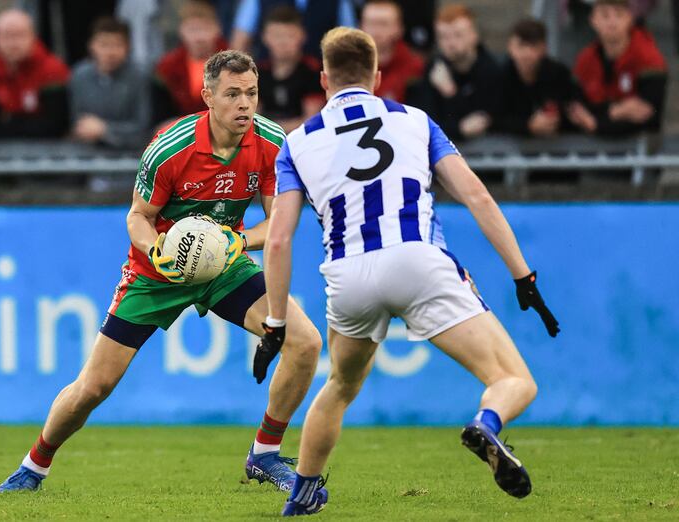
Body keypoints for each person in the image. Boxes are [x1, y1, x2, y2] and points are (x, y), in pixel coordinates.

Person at [255, 27, 560, 515]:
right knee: (513, 379)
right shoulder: (415, 120)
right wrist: (522, 274)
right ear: (376, 77)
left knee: (339, 387)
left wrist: (274, 322)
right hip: (417, 260)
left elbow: (280, 238)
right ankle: (486, 424)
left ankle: (303, 494)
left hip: (348, 274)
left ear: (324, 79)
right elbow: (476, 195)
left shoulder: (296, 142)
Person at [0, 50, 325, 500]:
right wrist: (158, 250)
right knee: (95, 386)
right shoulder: (170, 148)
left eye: (251, 93)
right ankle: (34, 465)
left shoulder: (271, 142)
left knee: (306, 343)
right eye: (232, 94)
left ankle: (264, 454)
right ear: (208, 96)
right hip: (156, 274)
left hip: (223, 264)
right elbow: (137, 217)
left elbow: (279, 223)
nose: (244, 104)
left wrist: (237, 241)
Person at [571, 0, 667, 135]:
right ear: (593, 20)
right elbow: (576, 109)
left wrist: (595, 123)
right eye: (605, 15)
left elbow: (649, 113)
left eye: (619, 15)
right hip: (591, 148)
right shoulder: (584, 60)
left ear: (630, 18)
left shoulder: (649, 58)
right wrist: (616, 111)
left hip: (639, 147)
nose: (612, 22)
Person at [0, 9, 70, 138]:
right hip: (1, 149)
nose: (13, 43)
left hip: (45, 149)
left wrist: (9, 120)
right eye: (7, 36)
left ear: (33, 37)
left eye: (20, 35)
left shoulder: (52, 69)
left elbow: (54, 125)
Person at [414, 4, 501, 140]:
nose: (450, 43)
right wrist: (459, 129)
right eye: (443, 36)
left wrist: (451, 93)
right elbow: (425, 121)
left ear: (474, 35)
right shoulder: (435, 68)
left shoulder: (491, 71)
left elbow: (485, 122)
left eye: (458, 35)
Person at [70, 17, 149, 149]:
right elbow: (77, 122)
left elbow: (143, 127)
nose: (110, 52)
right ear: (92, 46)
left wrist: (105, 130)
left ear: (128, 47)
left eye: (117, 45)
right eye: (104, 45)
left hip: (131, 153)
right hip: (87, 151)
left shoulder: (139, 77)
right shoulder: (79, 76)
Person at [497, 18, 583, 137]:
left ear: (543, 48)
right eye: (521, 46)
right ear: (510, 47)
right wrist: (527, 125)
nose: (526, 53)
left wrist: (557, 121)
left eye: (533, 46)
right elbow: (495, 118)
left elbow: (574, 108)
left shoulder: (558, 74)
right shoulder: (501, 76)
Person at [151, 1, 228, 127]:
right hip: (179, 134)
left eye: (205, 29)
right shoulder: (166, 68)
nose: (199, 38)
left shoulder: (236, 66)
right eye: (192, 30)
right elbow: (160, 119)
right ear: (181, 31)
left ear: (217, 29)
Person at [257, 6, 325, 133]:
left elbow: (311, 122)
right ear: (265, 37)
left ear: (302, 36)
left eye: (289, 35)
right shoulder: (258, 72)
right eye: (277, 35)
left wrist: (268, 130)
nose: (283, 42)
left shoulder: (313, 72)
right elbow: (251, 117)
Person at [230, 0, 357, 59]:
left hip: (319, 81)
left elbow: (350, 44)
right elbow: (240, 42)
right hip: (267, 77)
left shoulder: (338, 2)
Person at [359, 0, 424, 102]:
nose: (376, 31)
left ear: (399, 28)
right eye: (370, 23)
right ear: (361, 27)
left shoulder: (415, 66)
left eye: (383, 24)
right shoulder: (348, 65)